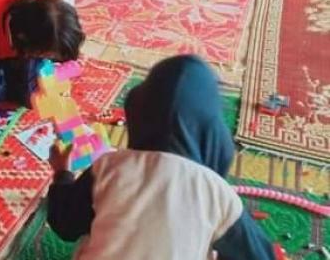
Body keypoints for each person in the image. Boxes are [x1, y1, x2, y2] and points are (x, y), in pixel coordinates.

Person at [46, 55, 275, 260]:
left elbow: (65, 224)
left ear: (138, 113)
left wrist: (62, 173)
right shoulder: (218, 194)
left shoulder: (109, 167)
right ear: (212, 133)